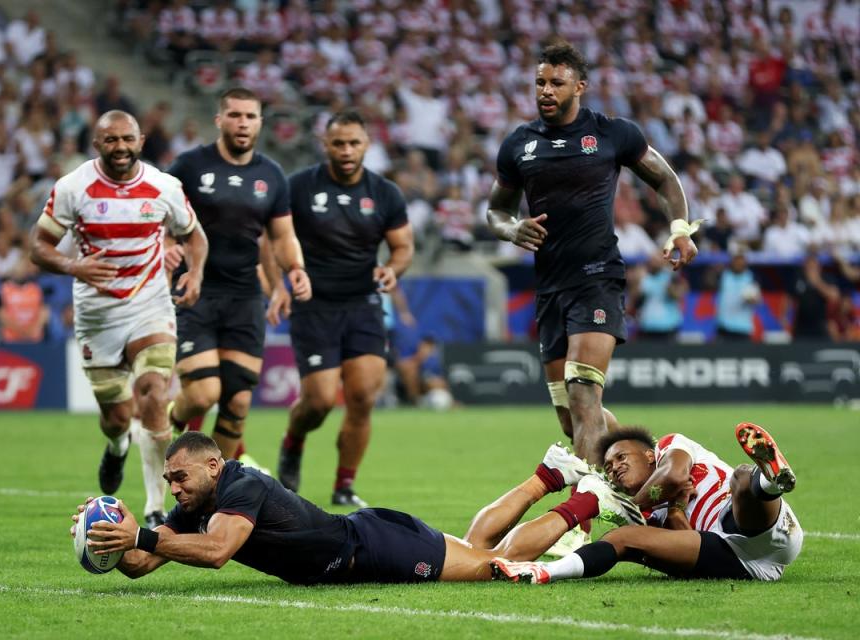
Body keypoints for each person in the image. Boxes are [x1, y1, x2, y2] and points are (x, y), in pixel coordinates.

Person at [485, 43, 699, 465]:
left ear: (580, 86)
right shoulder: (519, 144)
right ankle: (653, 470)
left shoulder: (611, 133)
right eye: (540, 83)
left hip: (598, 278)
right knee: (573, 418)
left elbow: (665, 179)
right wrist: (512, 229)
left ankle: (582, 521)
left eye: (556, 83)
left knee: (584, 395)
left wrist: (679, 229)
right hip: (550, 287)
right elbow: (496, 209)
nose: (545, 91)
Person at [71, 431, 641, 584]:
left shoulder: (240, 486)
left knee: (495, 565)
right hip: (366, 542)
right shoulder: (193, 507)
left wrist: (141, 536)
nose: (173, 488)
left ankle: (588, 499)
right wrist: (114, 538)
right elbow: (144, 562)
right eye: (168, 480)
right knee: (478, 548)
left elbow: (218, 553)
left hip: (370, 550)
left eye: (179, 476)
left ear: (213, 466)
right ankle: (550, 474)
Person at [31, 110, 208, 528]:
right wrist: (75, 267)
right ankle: (116, 447)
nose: (121, 147)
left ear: (141, 140)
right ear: (97, 144)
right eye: (111, 140)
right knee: (116, 417)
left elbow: (194, 235)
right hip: (98, 315)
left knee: (153, 394)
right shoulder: (73, 187)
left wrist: (196, 272)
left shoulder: (164, 187)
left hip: (150, 305)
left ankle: (154, 507)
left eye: (127, 139)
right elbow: (39, 246)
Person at [267, 110, 414, 507]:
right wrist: (279, 283)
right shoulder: (298, 187)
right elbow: (272, 238)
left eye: (354, 143)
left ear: (367, 145)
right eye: (339, 143)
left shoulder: (384, 193)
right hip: (313, 304)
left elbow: (402, 247)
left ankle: (344, 485)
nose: (347, 151)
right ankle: (293, 440)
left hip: (363, 303)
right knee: (317, 401)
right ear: (325, 145)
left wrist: (392, 269)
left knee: (364, 395)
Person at [165, 87, 312, 470]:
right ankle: (168, 418)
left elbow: (281, 236)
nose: (242, 123)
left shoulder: (271, 175)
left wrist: (293, 272)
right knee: (202, 394)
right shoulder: (189, 167)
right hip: (196, 290)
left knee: (238, 401)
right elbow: (159, 217)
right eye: (235, 115)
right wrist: (166, 246)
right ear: (219, 120)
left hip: (244, 295)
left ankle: (214, 492)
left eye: (250, 116)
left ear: (260, 122)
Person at [491, 422, 802, 583]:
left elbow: (673, 478)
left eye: (621, 457)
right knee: (620, 538)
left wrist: (636, 505)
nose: (614, 468)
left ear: (649, 453)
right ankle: (546, 572)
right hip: (734, 557)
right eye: (610, 467)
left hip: (763, 524)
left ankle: (770, 481)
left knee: (742, 479)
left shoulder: (672, 446)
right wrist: (676, 509)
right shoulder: (647, 515)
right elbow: (687, 539)